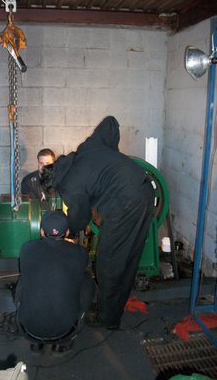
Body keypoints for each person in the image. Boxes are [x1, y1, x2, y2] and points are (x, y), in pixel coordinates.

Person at [41, 116, 155, 330]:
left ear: (55, 184)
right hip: (146, 189)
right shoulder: (86, 148)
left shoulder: (69, 186)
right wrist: (112, 157)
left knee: (108, 262)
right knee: (127, 257)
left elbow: (80, 218)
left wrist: (67, 232)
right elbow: (111, 123)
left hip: (126, 203)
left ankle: (108, 320)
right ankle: (113, 307)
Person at [15, 210, 96, 352]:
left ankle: (36, 344)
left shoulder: (27, 249)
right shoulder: (80, 253)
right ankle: (62, 344)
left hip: (27, 328)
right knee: (87, 280)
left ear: (41, 232)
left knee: (24, 280)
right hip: (66, 331)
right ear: (67, 232)